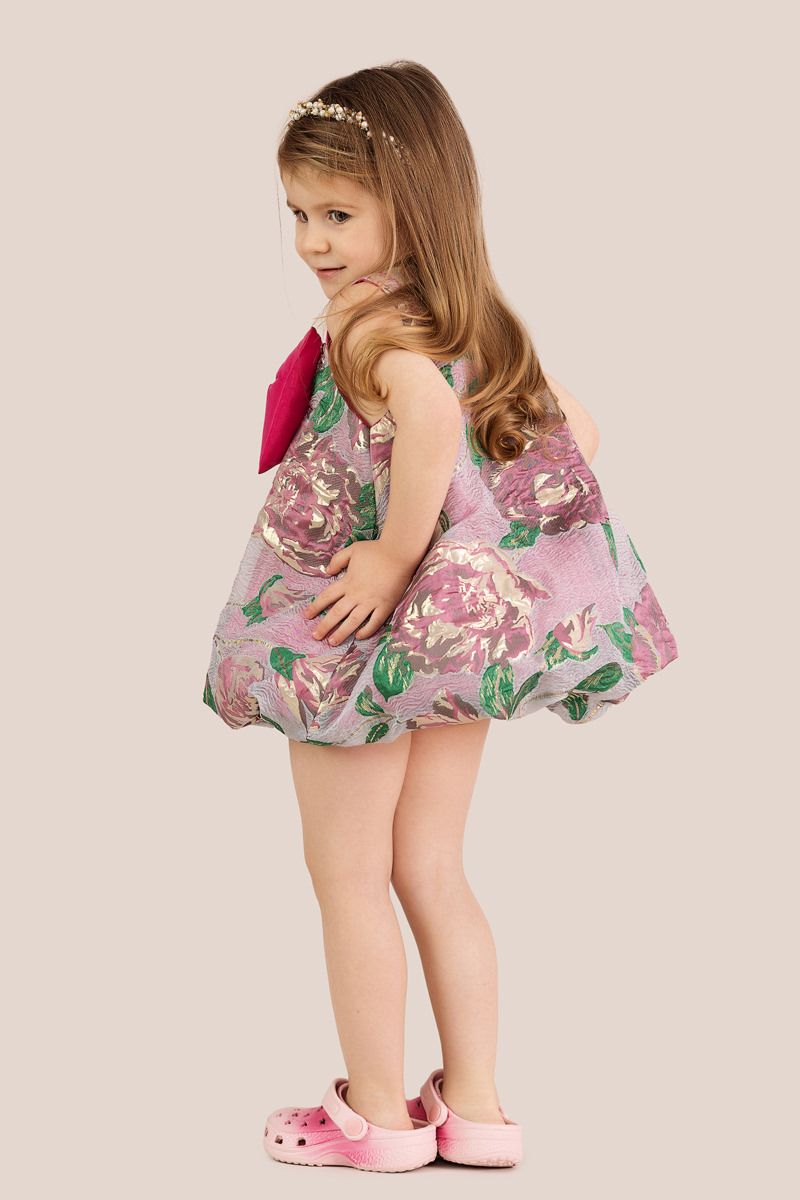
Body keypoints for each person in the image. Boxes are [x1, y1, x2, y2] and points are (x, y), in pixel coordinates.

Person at [202, 61, 677, 1173]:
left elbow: (426, 420)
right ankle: (477, 1107)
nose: (311, 242)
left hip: (351, 637)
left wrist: (393, 552)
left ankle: (374, 1115)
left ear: (411, 204)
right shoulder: (473, 322)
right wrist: (473, 541)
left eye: (337, 214)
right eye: (297, 215)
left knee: (347, 873)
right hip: (447, 649)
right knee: (431, 865)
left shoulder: (372, 333)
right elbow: (576, 431)